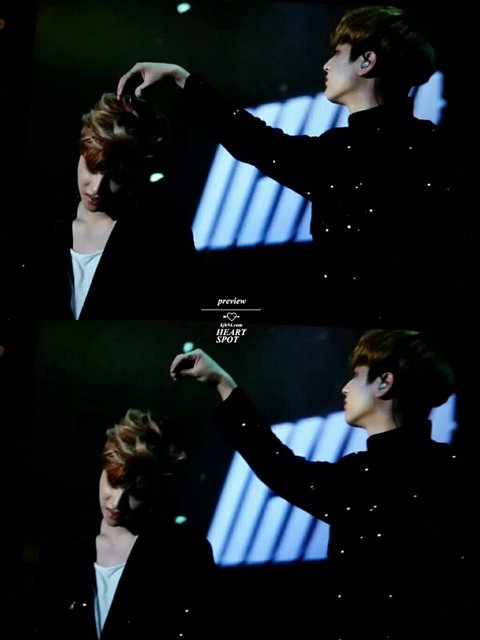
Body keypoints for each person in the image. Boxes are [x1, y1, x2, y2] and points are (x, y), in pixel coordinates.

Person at [117, 5, 472, 326]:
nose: (326, 65)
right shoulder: (435, 146)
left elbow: (257, 142)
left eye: (337, 53)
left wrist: (180, 78)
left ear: (367, 62)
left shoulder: (344, 153)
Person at [169, 330, 478, 639]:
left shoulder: (362, 477)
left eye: (356, 376)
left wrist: (222, 383)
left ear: (384, 383)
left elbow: (281, 469)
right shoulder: (453, 469)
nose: (345, 387)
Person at [32, 408, 218, 640]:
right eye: (113, 481)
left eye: (136, 492)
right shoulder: (63, 548)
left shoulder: (185, 554)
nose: (117, 502)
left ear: (154, 491)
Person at [32, 91, 199, 321]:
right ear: (81, 153)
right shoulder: (41, 226)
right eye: (92, 167)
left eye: (116, 177)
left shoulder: (163, 237)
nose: (96, 188)